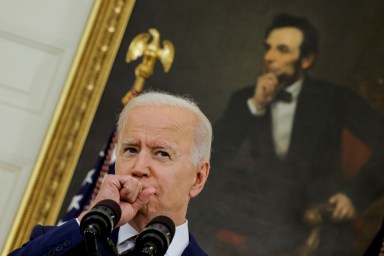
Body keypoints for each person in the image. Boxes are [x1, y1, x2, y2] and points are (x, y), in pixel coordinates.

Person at [203, 13, 384, 255]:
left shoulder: (335, 99)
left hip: (309, 209)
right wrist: (255, 106)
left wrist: (354, 196)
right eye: (268, 48)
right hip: (253, 204)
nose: (269, 57)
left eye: (282, 50)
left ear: (306, 59)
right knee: (196, 209)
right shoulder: (244, 98)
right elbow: (212, 154)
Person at [8, 91, 213, 256]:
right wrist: (89, 221)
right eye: (131, 149)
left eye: (162, 153)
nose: (139, 168)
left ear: (198, 178)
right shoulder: (65, 242)